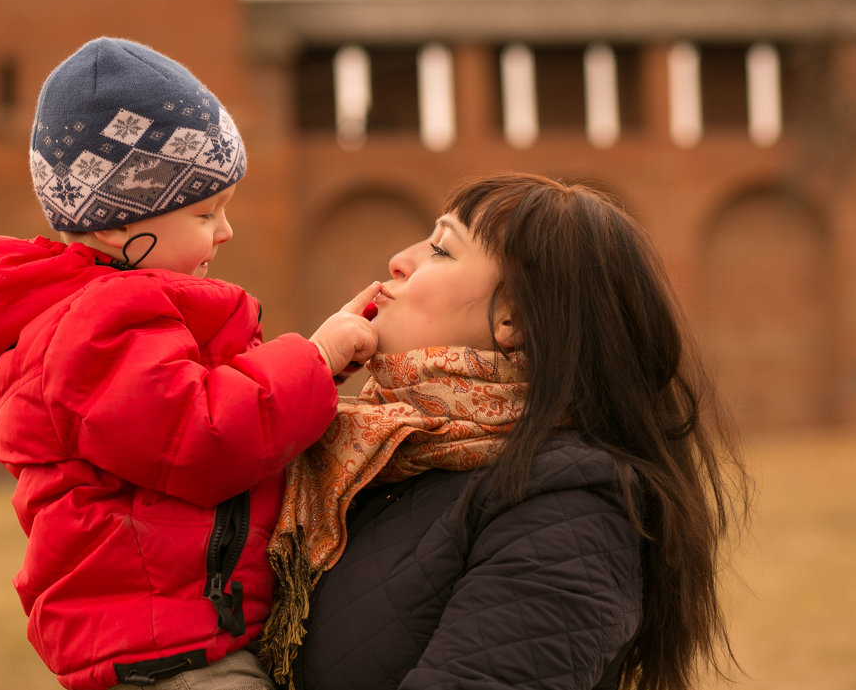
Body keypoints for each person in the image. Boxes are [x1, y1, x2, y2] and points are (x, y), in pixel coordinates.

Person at [0, 37, 378, 690]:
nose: (225, 232)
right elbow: (203, 434)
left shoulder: (112, 315)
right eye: (205, 212)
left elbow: (199, 402)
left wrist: (320, 369)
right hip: (172, 653)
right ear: (116, 224)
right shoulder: (97, 327)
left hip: (179, 638)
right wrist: (313, 358)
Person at [259, 173, 750, 690]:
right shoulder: (372, 453)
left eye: (442, 250)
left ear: (513, 318)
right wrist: (296, 388)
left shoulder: (568, 507)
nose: (399, 261)